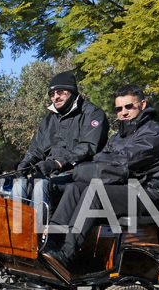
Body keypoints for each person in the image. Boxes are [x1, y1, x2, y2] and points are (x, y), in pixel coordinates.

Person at [41, 84, 159, 273]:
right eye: (119, 108)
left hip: (149, 193)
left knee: (96, 192)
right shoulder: (117, 137)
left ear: (142, 104)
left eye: (129, 107)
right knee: (75, 187)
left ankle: (67, 254)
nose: (123, 112)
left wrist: (86, 170)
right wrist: (88, 170)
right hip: (124, 190)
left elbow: (121, 165)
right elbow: (99, 161)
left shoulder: (153, 133)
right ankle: (51, 244)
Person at [12, 71, 109, 230]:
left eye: (60, 92)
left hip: (78, 174)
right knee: (19, 185)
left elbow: (88, 146)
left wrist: (57, 163)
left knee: (40, 186)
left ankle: (38, 238)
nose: (55, 97)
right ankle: (17, 234)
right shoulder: (49, 118)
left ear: (72, 92)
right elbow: (36, 148)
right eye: (51, 94)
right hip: (52, 175)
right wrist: (25, 163)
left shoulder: (92, 113)